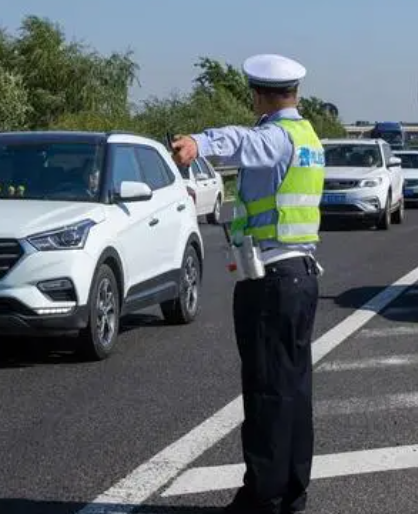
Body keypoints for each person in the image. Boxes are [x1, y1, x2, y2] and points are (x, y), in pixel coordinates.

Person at [170, 53, 325, 514]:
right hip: (300, 276)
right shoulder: (309, 136)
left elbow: (241, 141)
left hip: (271, 280)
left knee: (266, 390)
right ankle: (292, 490)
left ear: (259, 95)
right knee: (294, 388)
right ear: (295, 92)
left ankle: (262, 497)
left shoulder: (275, 136)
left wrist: (198, 142)